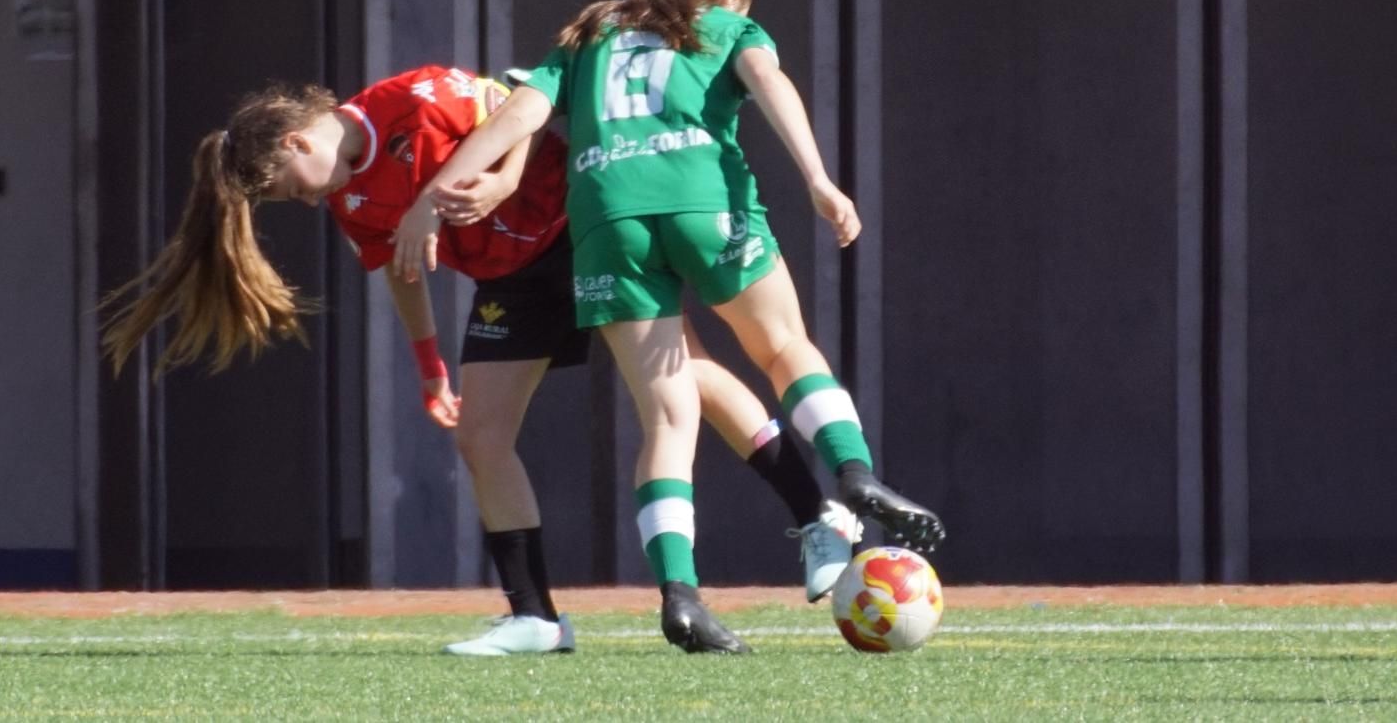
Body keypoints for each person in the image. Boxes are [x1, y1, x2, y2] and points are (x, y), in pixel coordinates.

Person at [100, 67, 861, 657]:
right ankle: (536, 617)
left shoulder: (416, 98)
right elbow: (403, 269)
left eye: (286, 187)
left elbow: (521, 107)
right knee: (481, 437)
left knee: (686, 379)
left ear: (300, 142)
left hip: (582, 232)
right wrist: (430, 365)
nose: (299, 201)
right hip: (509, 280)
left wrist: (500, 179)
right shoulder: (347, 198)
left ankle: (817, 514)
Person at [394, 0, 945, 654]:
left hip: (606, 221)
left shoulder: (592, 30)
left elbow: (523, 111)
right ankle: (852, 471)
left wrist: (436, 195)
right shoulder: (724, 25)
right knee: (783, 346)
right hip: (703, 203)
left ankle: (680, 593)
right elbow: (768, 80)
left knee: (667, 418)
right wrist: (818, 177)